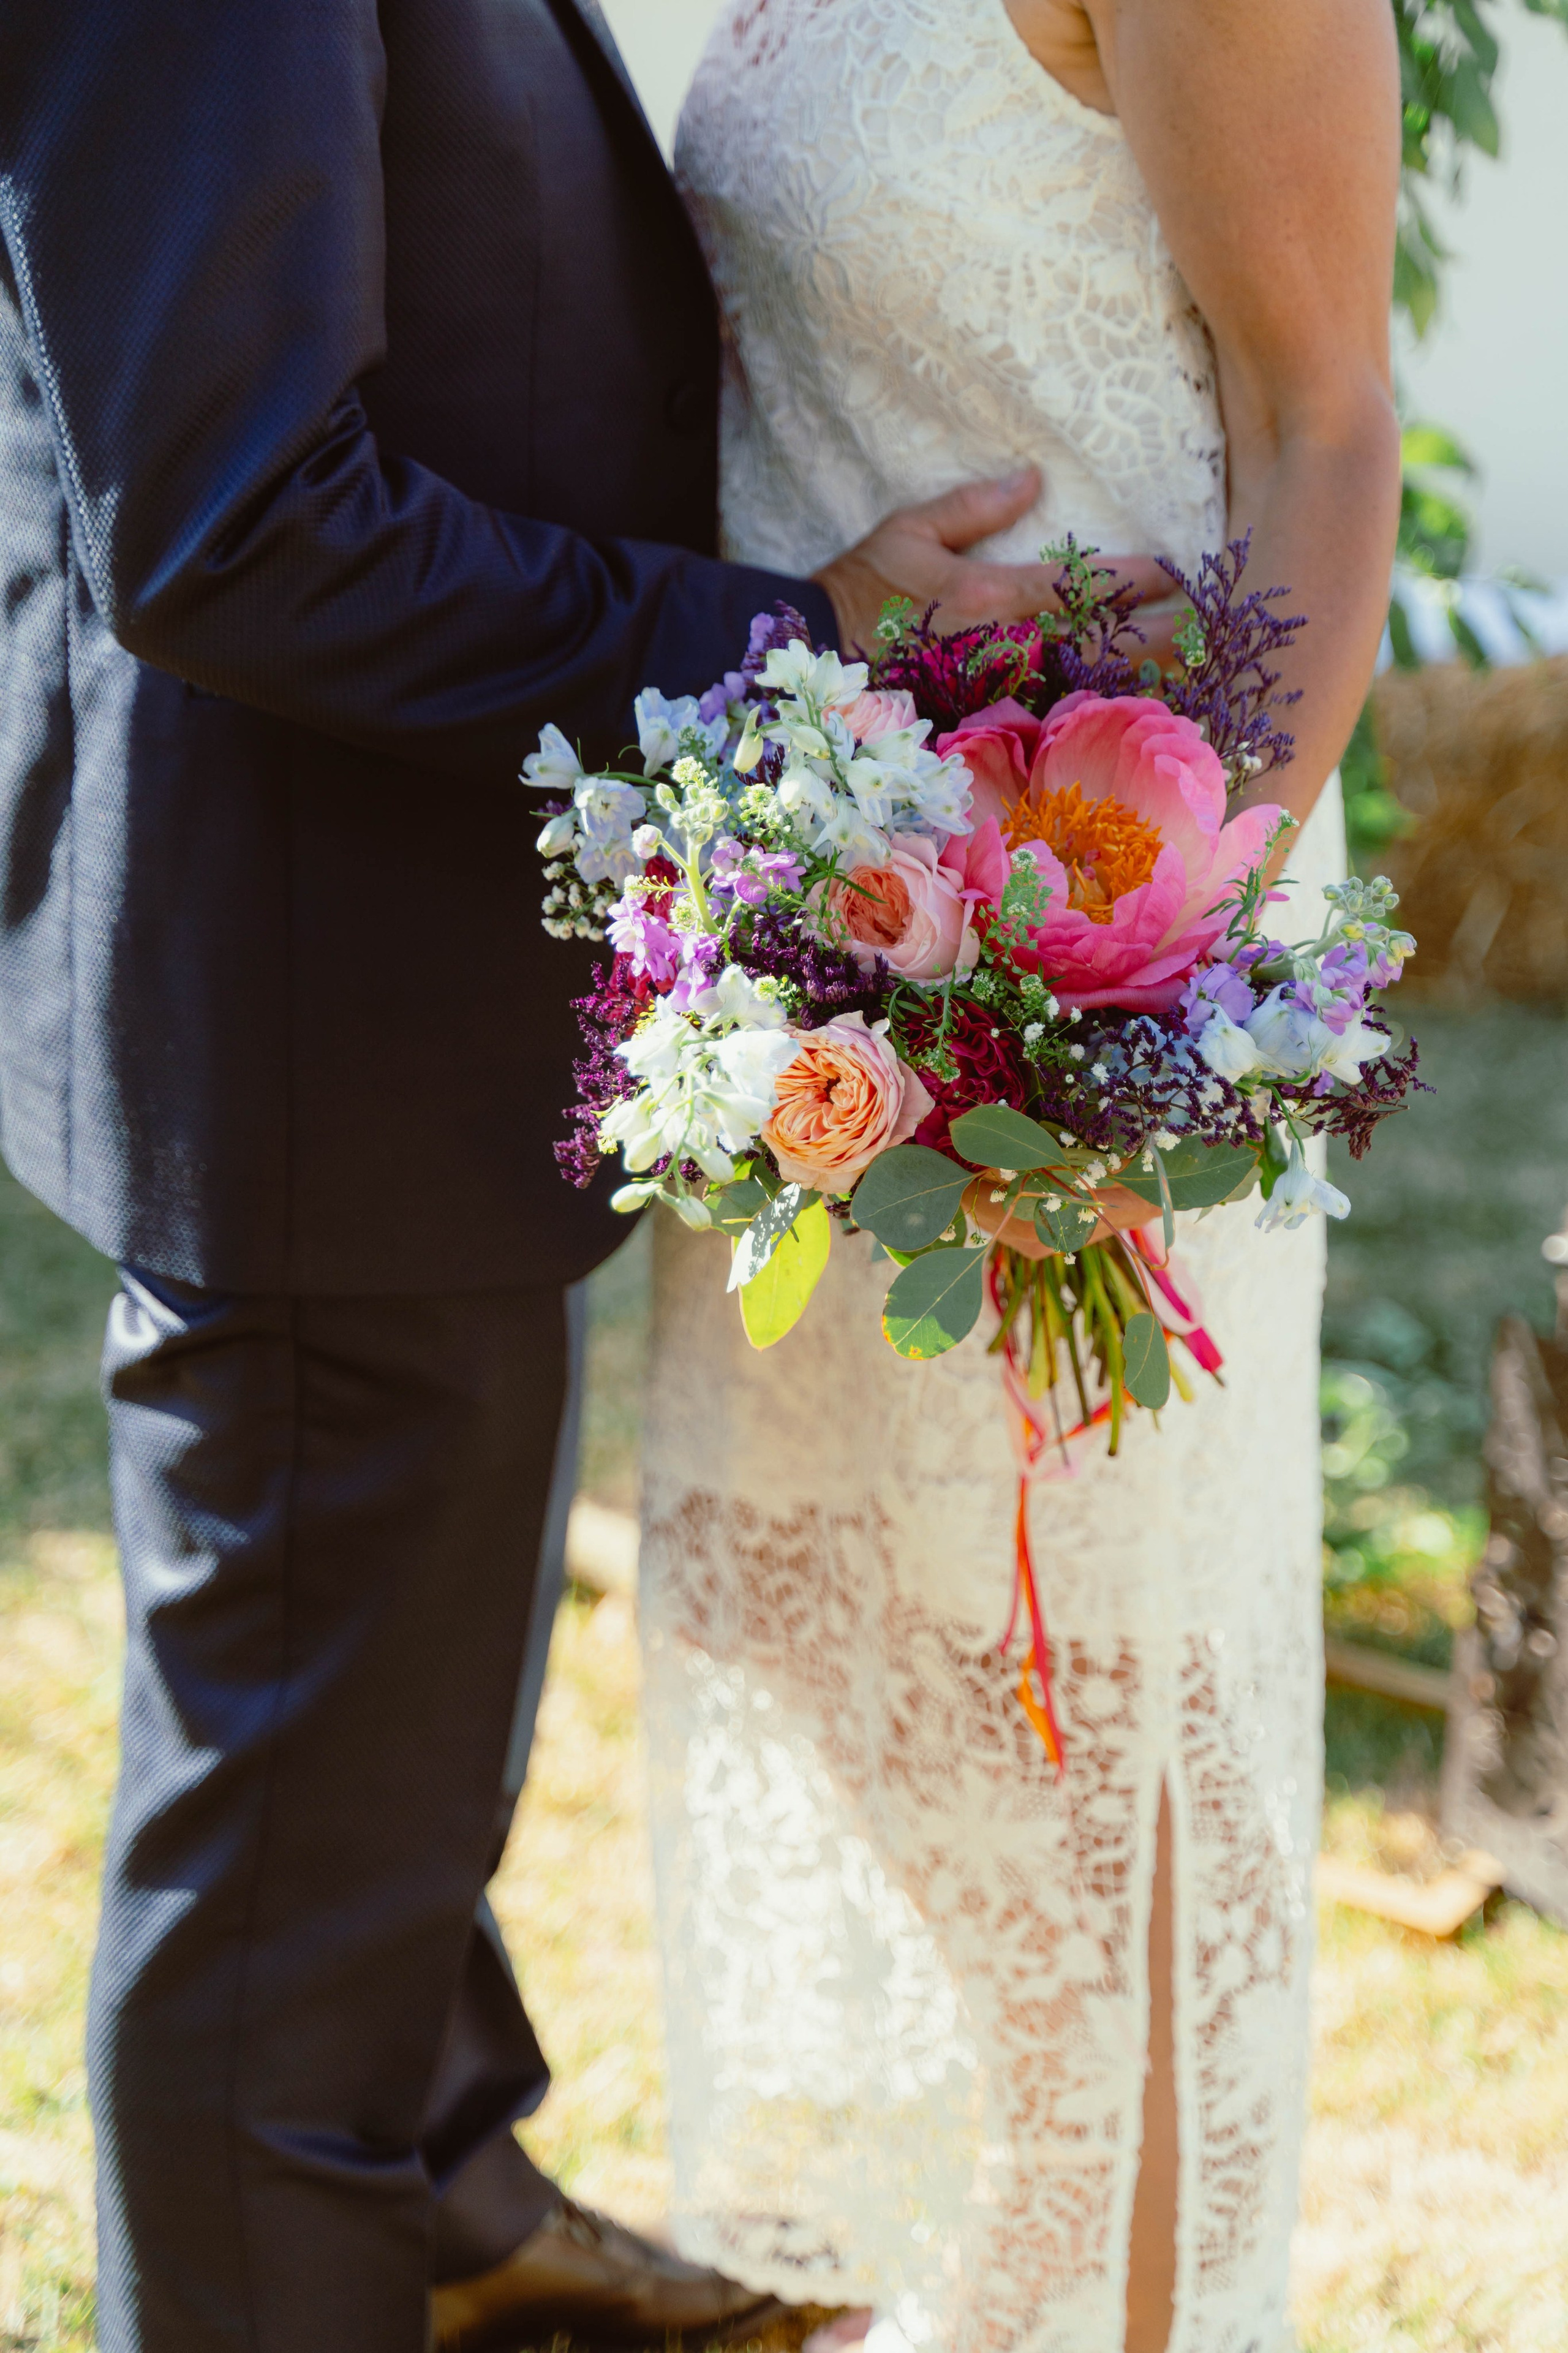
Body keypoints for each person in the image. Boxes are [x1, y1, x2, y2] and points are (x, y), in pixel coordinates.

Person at [0, 4, 1159, 2349]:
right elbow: (232, 526)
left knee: (365, 1752)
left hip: (363, 987)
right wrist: (786, 645)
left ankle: (443, 2206)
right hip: (316, 1015)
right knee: (285, 1902)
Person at [637, 1, 1401, 2349]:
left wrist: (1156, 982)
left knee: (1089, 1702)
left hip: (1092, 952)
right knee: (857, 1644)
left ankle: (1123, 2308)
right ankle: (1000, 2270)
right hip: (840, 956)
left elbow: (1327, 417)